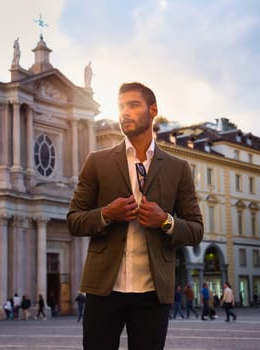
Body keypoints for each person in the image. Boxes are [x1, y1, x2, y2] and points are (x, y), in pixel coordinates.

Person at [67, 82, 204, 350]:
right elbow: (74, 220)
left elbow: (196, 230)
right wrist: (107, 213)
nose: (125, 112)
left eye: (133, 105)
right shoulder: (97, 162)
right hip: (103, 289)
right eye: (121, 106)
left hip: (153, 294)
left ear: (153, 110)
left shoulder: (178, 168)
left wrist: (165, 220)